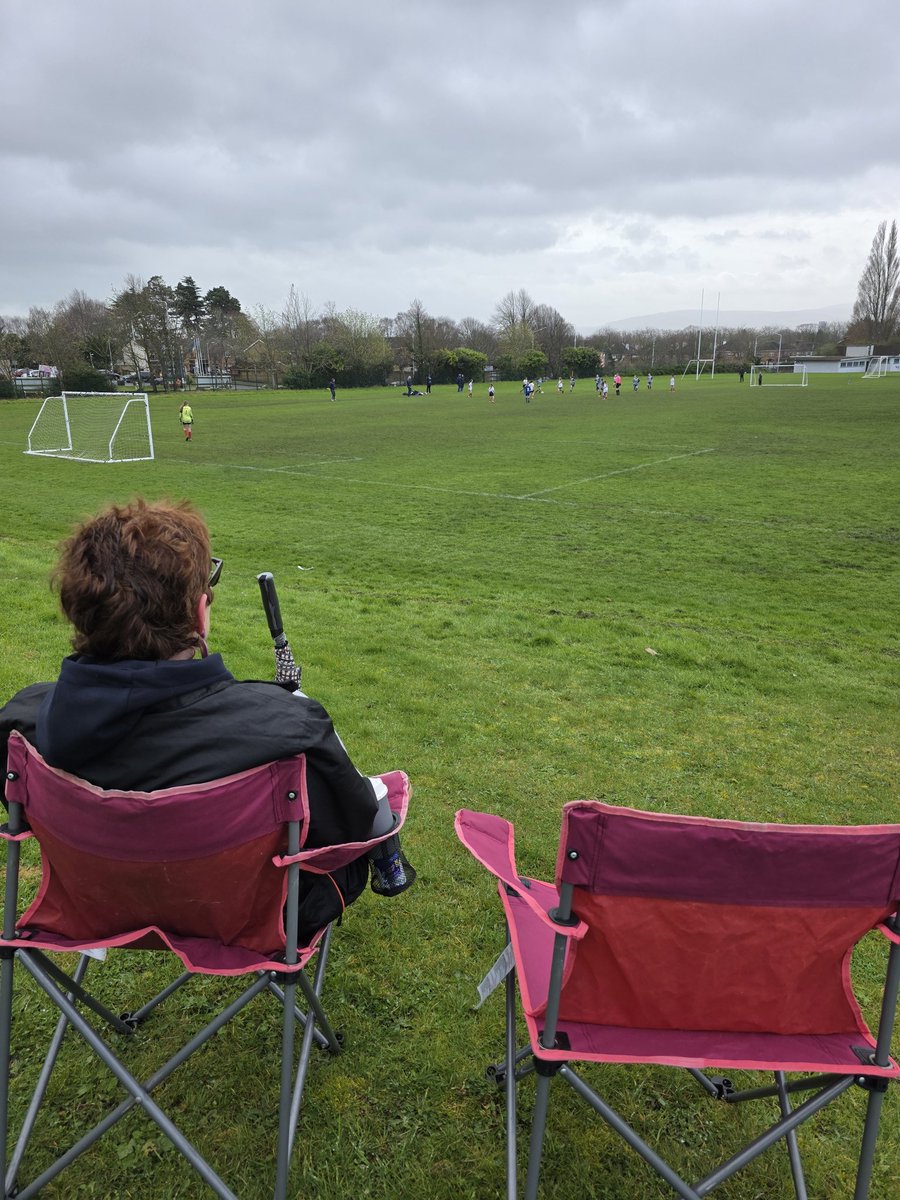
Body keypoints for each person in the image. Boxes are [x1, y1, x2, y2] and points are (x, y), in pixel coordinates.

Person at [0, 498, 413, 943]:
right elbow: (360, 826)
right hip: (253, 921)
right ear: (200, 614)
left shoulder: (21, 728)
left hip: (95, 910)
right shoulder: (285, 729)